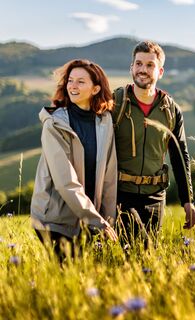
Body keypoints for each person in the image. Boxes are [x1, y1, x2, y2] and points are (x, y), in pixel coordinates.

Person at [31, 59, 118, 261]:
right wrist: (97, 221)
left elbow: (109, 177)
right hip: (55, 218)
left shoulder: (105, 122)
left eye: (80, 81)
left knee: (86, 279)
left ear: (96, 89)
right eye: (70, 80)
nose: (73, 86)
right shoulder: (54, 124)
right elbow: (65, 181)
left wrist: (108, 221)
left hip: (88, 218)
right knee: (67, 276)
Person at [113, 40, 195, 244]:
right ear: (131, 67)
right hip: (120, 194)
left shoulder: (171, 110)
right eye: (139, 64)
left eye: (150, 65)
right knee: (132, 250)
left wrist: (187, 201)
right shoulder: (115, 102)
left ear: (160, 71)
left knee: (147, 254)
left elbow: (180, 155)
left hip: (155, 196)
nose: (143, 69)